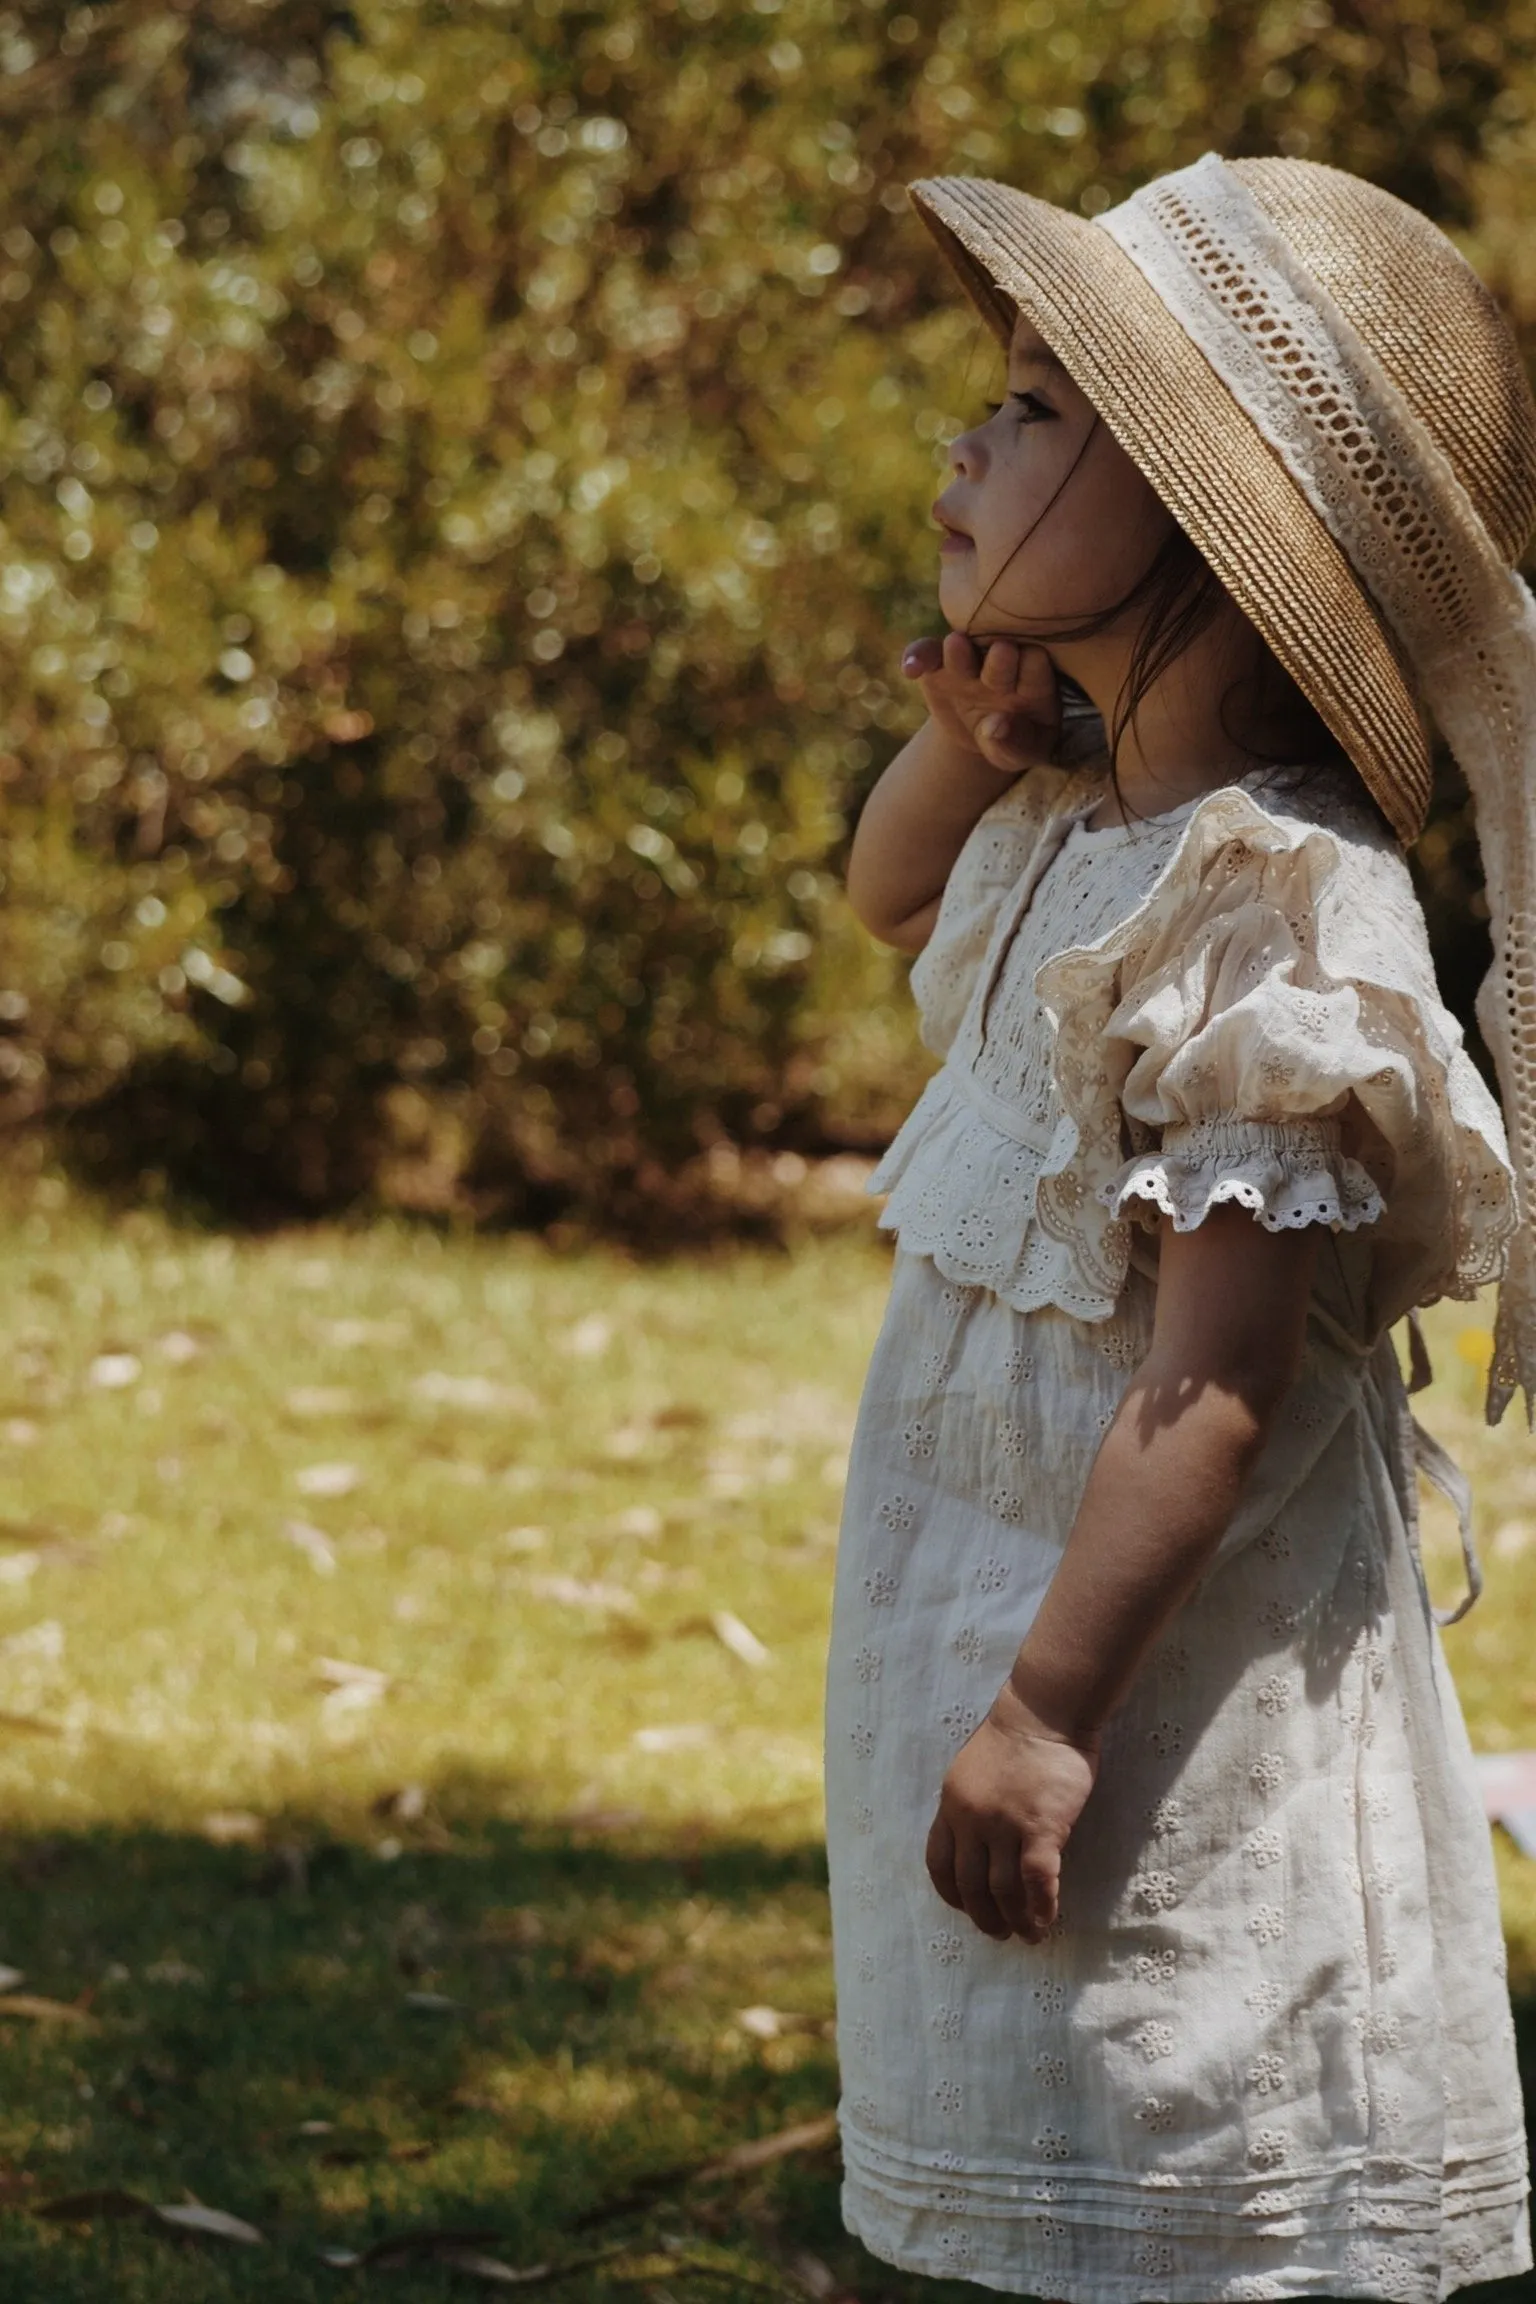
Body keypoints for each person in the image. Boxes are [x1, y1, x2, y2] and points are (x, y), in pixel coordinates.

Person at [824, 151, 1536, 2303]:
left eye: (1040, 406)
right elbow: (894, 898)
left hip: (1160, 1672)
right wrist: (969, 741)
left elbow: (1215, 1381)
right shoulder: (1069, 823)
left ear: (1222, 528)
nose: (969, 436)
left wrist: (1051, 1714)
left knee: (1190, 2120)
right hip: (999, 1599)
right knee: (1051, 2119)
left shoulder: (1273, 902)